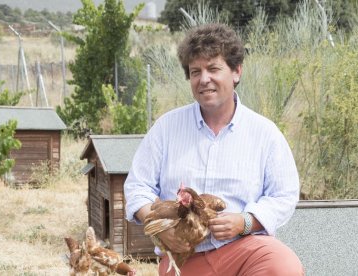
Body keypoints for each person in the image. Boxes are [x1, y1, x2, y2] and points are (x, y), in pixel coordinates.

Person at [124, 23, 304, 276]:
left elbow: (284, 195)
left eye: (213, 68)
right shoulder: (166, 128)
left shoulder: (264, 133)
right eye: (195, 71)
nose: (204, 79)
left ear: (236, 72)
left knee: (282, 265)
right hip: (185, 256)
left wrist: (245, 222)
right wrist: (159, 227)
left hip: (244, 248)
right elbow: (137, 187)